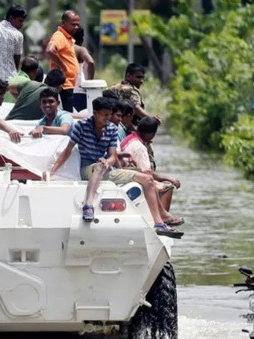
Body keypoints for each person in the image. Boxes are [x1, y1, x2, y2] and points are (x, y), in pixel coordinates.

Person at [46, 96, 183, 239]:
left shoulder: (111, 129)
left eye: (109, 115)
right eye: (104, 115)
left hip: (106, 168)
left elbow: (112, 156)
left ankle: (159, 223)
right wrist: (52, 171)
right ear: (95, 113)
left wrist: (107, 162)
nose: (108, 118)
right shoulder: (81, 126)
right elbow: (67, 150)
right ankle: (88, 204)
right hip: (88, 169)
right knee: (99, 167)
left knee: (147, 179)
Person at [120, 116, 183, 226]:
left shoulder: (130, 138)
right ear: (151, 133)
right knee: (167, 187)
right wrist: (170, 179)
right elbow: (148, 173)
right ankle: (164, 219)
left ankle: (162, 217)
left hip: (128, 172)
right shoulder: (139, 147)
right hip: (133, 176)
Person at [45, 10, 81, 111]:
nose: (76, 27)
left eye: (77, 25)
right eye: (73, 24)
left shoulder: (67, 38)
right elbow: (50, 50)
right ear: (63, 23)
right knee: (67, 115)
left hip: (68, 84)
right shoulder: (59, 36)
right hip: (63, 85)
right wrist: (62, 66)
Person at [71, 27, 95, 112]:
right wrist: (89, 83)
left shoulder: (63, 49)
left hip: (66, 90)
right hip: (79, 90)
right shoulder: (80, 49)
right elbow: (91, 62)